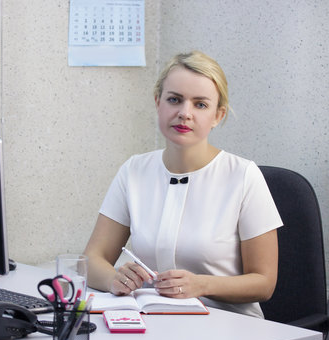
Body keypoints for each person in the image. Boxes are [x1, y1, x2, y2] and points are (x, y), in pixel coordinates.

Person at [83, 50, 283, 318]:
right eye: (174, 100)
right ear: (158, 103)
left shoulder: (244, 175)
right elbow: (92, 260)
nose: (184, 113)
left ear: (218, 115)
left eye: (200, 104)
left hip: (228, 327)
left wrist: (201, 284)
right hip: (155, 322)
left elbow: (264, 282)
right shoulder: (134, 170)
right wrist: (114, 278)